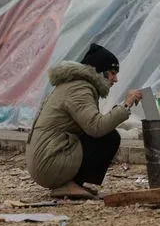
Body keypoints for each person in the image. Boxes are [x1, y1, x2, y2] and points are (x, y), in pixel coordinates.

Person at [25, 43, 142, 199]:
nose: (116, 79)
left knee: (104, 135)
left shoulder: (75, 85)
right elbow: (96, 127)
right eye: (112, 73)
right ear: (99, 72)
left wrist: (120, 110)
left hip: (46, 158)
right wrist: (126, 105)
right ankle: (68, 185)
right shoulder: (79, 89)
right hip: (48, 163)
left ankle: (74, 184)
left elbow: (90, 124)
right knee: (109, 138)